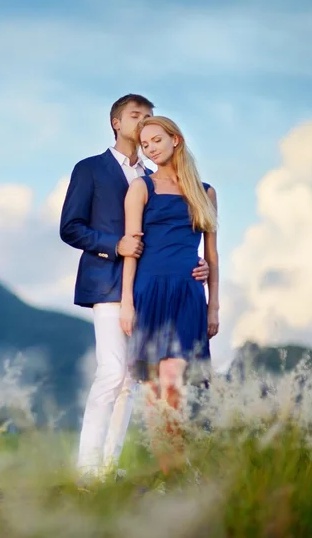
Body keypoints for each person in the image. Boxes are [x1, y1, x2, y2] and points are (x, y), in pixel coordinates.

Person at [59, 95, 210, 481]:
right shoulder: (90, 169)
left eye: (149, 117)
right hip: (108, 284)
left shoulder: (154, 174)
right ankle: (88, 471)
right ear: (116, 122)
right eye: (135, 116)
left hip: (150, 289)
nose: (144, 122)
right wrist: (115, 245)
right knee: (111, 373)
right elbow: (70, 227)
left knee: (132, 379)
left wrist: (198, 263)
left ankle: (109, 466)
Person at [119, 115, 219, 476]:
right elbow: (132, 249)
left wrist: (214, 305)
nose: (150, 148)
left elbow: (212, 255)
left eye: (156, 140)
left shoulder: (205, 192)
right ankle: (169, 474)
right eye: (145, 144)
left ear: (175, 139)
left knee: (174, 384)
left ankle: (179, 468)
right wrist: (127, 301)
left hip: (189, 293)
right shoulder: (140, 188)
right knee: (152, 390)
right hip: (150, 291)